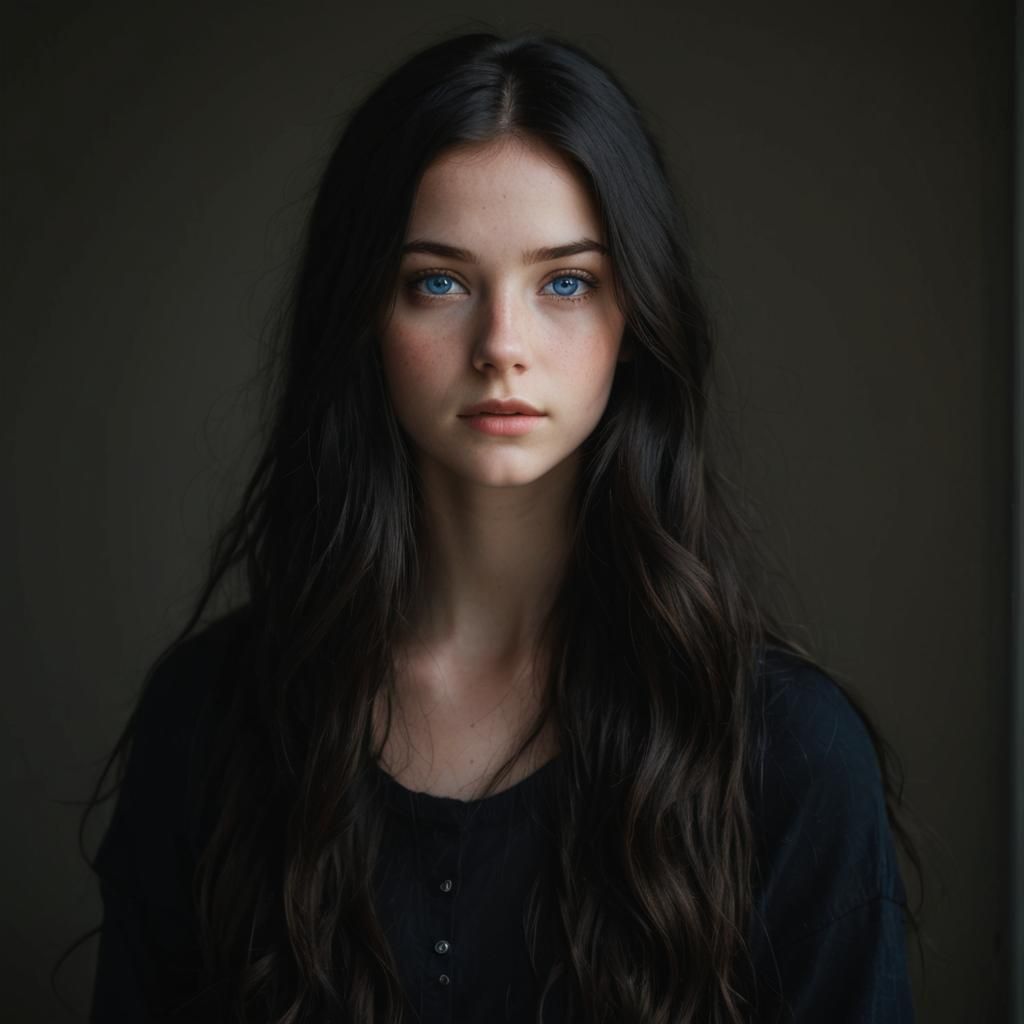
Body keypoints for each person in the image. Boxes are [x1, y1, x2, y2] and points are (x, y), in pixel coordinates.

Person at [67, 30, 923, 1023]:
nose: (501, 346)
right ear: (364, 314)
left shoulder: (790, 753)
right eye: (438, 281)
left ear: (634, 317)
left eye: (566, 282)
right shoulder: (209, 720)